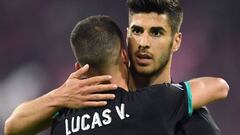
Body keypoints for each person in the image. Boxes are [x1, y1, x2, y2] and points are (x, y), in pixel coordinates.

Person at [50, 15, 228, 135]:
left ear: (80, 68)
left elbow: (22, 121)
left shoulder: (61, 125)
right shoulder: (151, 103)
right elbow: (219, 87)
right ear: (124, 55)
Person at [126, 0, 221, 134]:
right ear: (127, 35)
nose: (143, 42)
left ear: (176, 41)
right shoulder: (95, 102)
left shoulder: (197, 126)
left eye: (156, 33)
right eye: (137, 31)